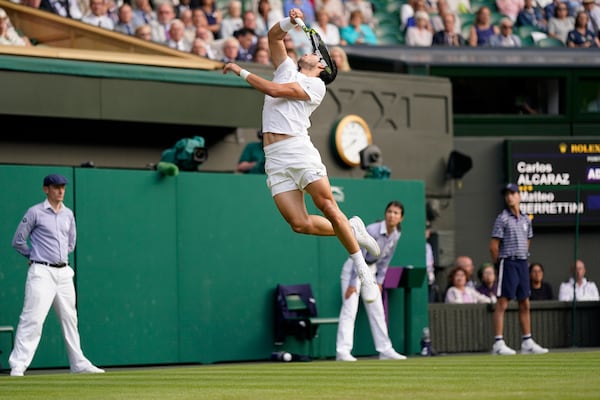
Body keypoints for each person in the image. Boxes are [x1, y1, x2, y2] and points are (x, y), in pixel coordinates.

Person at [222, 9, 381, 305]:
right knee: (300, 224)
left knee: (327, 207)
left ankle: (364, 273)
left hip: (298, 150)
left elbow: (271, 89)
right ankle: (353, 230)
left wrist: (239, 70)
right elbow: (274, 36)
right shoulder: (286, 69)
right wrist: (290, 22)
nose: (310, 53)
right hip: (275, 158)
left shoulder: (316, 86)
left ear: (320, 65)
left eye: (316, 55)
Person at [9, 174, 105, 377]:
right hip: (41, 271)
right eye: (56, 187)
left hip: (64, 273)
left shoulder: (68, 214)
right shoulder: (34, 212)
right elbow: (18, 240)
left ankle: (78, 363)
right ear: (46, 189)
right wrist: (33, 254)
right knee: (32, 318)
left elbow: (71, 243)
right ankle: (18, 365)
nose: (61, 191)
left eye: (63, 187)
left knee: (70, 318)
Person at [336, 201, 408, 361]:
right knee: (349, 309)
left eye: (396, 213)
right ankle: (343, 351)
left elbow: (385, 259)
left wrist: (380, 281)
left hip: (371, 271)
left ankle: (385, 350)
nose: (392, 215)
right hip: (354, 269)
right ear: (385, 213)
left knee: (377, 310)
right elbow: (357, 255)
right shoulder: (371, 230)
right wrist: (353, 283)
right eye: (389, 211)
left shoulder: (396, 234)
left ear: (401, 218)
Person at [489, 183, 548, 355]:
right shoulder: (502, 218)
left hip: (523, 263)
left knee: (525, 302)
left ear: (519, 196)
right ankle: (498, 343)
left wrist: (523, 257)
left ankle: (527, 342)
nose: (509, 197)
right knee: (503, 302)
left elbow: (527, 241)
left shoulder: (526, 219)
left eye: (513, 193)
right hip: (507, 262)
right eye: (507, 194)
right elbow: (493, 246)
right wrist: (499, 264)